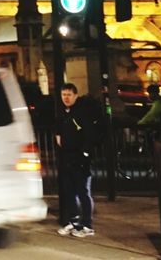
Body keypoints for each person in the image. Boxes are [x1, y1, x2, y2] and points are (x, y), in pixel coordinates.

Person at [54, 82, 99, 238]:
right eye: (63, 94)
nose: (65, 98)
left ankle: (87, 225)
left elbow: (90, 135)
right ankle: (72, 222)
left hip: (79, 158)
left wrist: (85, 153)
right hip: (67, 158)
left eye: (69, 95)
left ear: (75, 95)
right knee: (69, 191)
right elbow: (58, 134)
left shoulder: (82, 113)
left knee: (82, 191)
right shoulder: (63, 114)